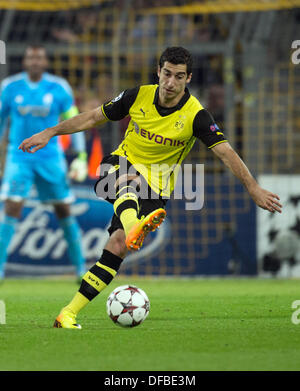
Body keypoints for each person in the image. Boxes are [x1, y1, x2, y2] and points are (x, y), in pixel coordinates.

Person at [19, 47, 282, 329]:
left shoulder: (196, 116)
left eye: (178, 77)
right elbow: (93, 117)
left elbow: (226, 153)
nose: (170, 83)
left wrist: (253, 187)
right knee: (125, 181)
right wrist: (50, 132)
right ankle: (134, 224)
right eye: (166, 74)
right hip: (120, 165)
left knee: (117, 247)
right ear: (159, 71)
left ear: (188, 78)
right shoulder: (137, 95)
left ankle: (67, 313)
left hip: (156, 188)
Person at [0, 44, 88, 281]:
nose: (35, 62)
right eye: (31, 58)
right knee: (11, 206)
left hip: (51, 159)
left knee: (63, 209)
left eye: (39, 58)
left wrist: (81, 156)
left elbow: (75, 121)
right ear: (25, 62)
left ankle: (80, 269)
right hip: (19, 158)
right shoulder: (9, 88)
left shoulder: (59, 88)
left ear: (45, 62)